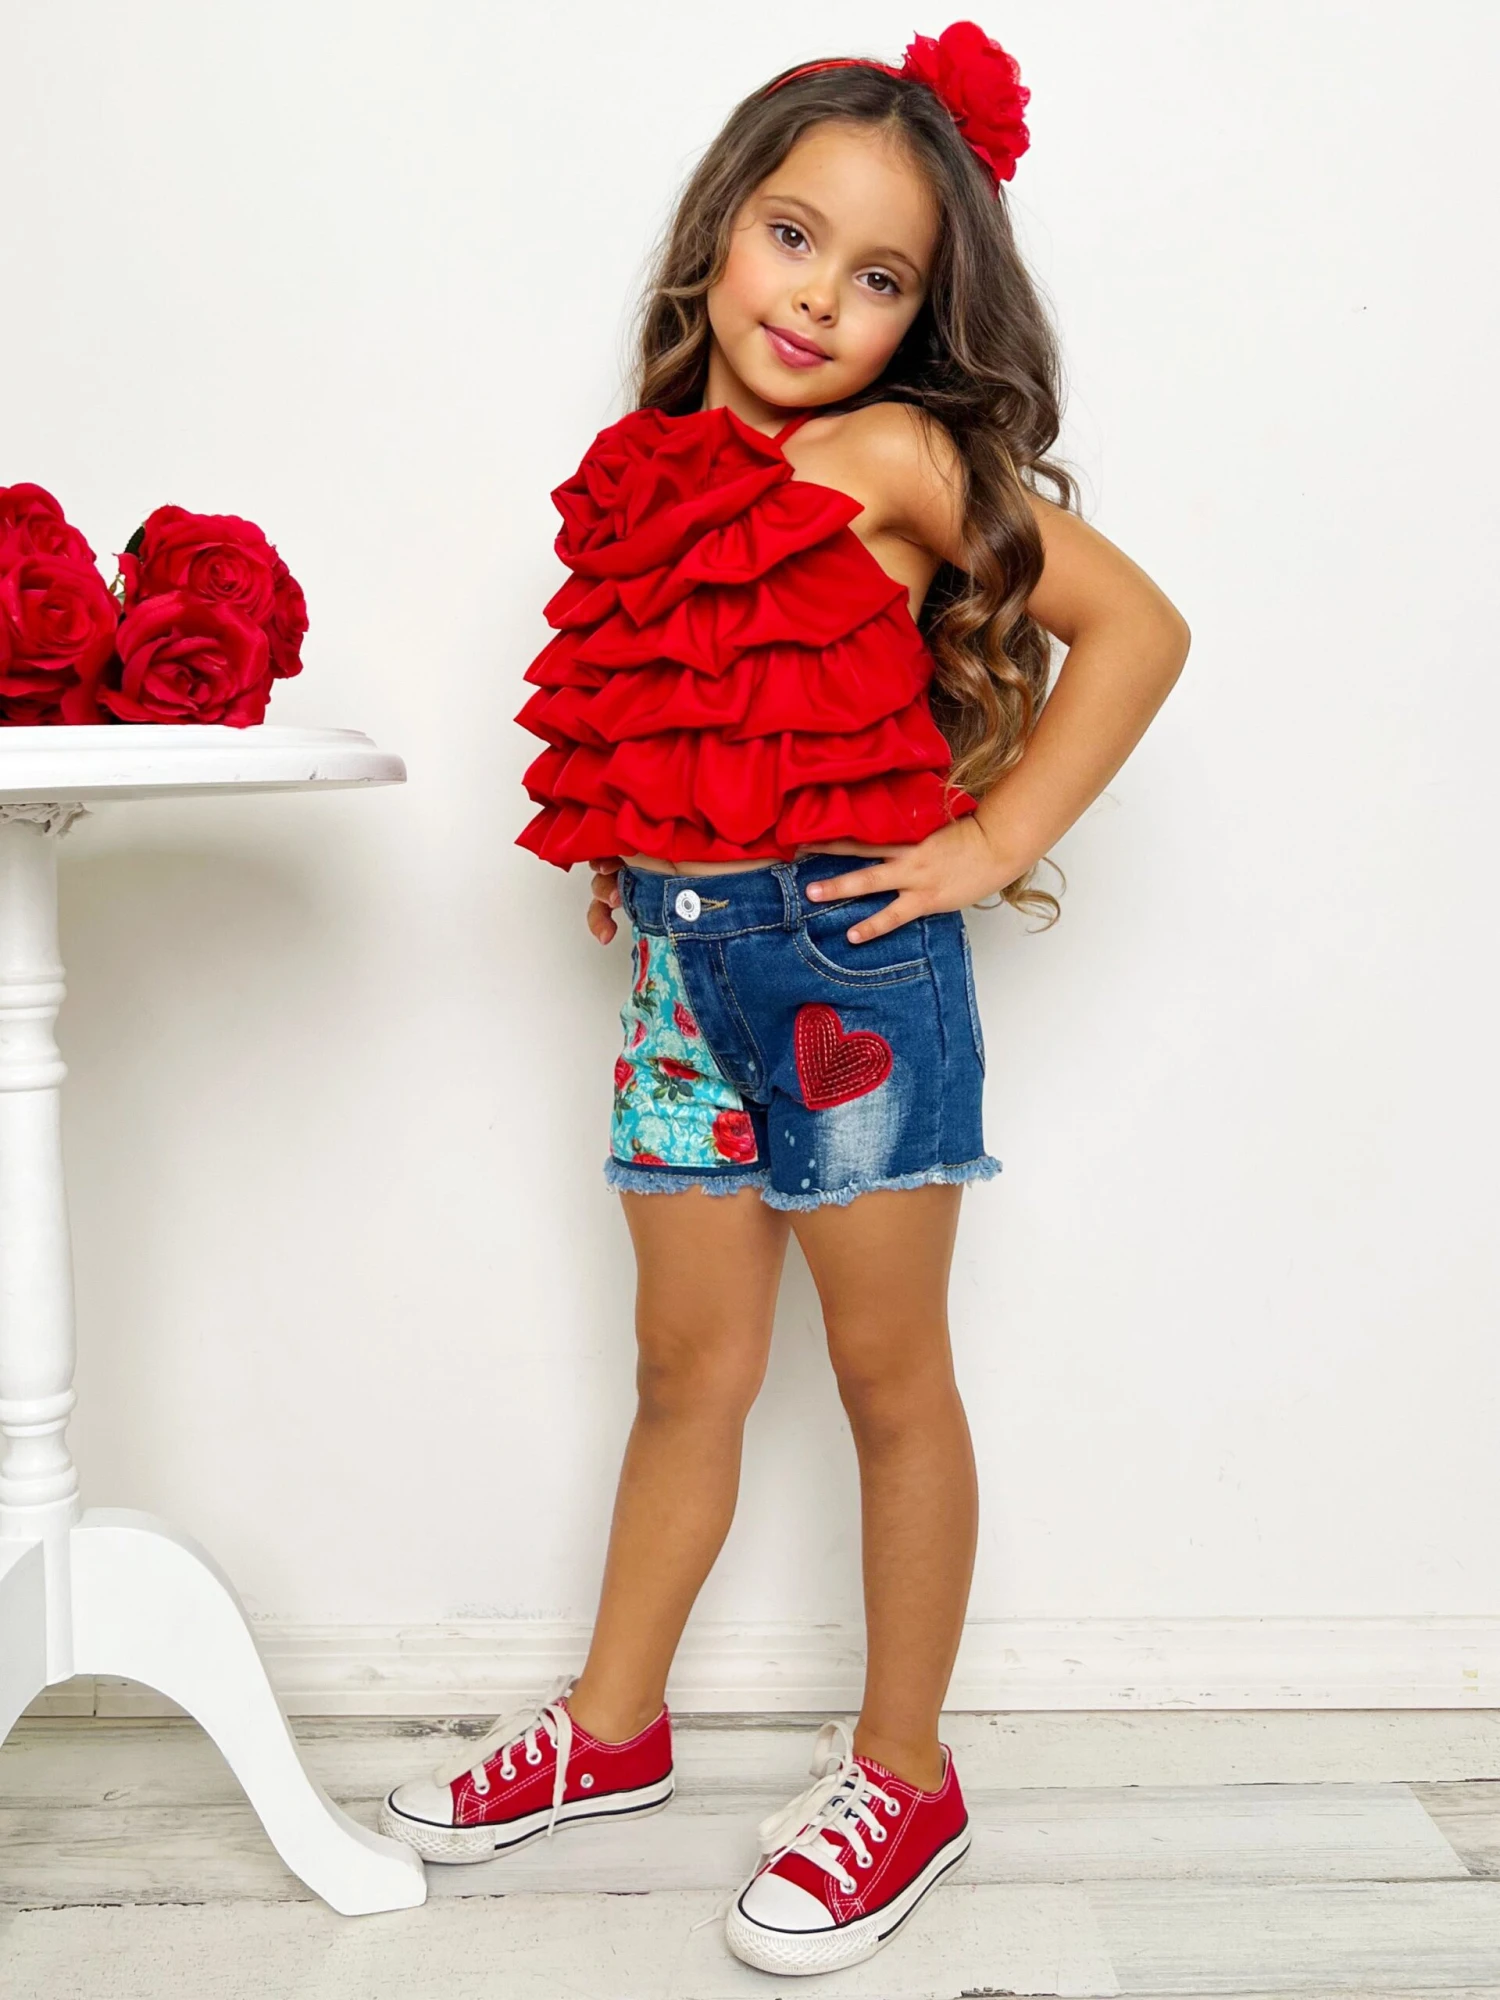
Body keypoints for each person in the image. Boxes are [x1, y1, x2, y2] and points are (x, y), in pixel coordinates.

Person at [380, 21, 1190, 1978]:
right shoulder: (645, 474)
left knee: (889, 1379)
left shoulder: (898, 457)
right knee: (688, 1370)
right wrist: (632, 842)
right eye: (793, 236)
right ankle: (614, 1727)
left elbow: (1138, 628)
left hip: (852, 978)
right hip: (680, 981)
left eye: (880, 274)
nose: (820, 296)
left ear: (922, 317)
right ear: (719, 234)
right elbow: (680, 696)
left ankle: (905, 1776)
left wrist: (989, 843)